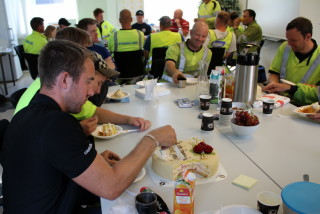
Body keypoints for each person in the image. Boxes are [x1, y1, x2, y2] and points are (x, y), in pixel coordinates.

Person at [3, 40, 176, 213]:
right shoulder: (57, 124)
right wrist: (152, 139)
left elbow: (46, 169)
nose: (93, 91)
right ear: (64, 80)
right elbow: (111, 188)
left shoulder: (24, 115)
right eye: (88, 81)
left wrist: (88, 163)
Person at [15, 27, 150, 136]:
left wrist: (128, 119)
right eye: (84, 50)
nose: (88, 56)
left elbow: (92, 111)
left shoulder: (60, 88)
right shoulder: (46, 102)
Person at [263, 17, 320, 106]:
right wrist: (274, 85)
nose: (289, 43)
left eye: (293, 40)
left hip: (303, 107)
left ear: (307, 37)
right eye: (288, 39)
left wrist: (289, 89)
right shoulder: (285, 47)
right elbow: (274, 73)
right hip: (280, 100)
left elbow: (317, 92)